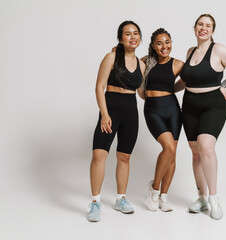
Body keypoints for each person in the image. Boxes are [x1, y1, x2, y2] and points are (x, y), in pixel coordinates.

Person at [179, 14, 226, 220]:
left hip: (213, 105)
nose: (203, 28)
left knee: (206, 147)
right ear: (194, 28)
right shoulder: (190, 51)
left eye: (208, 26)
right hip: (189, 104)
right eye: (200, 24)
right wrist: (161, 92)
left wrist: (224, 84)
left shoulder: (218, 50)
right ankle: (201, 197)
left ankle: (214, 197)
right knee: (195, 152)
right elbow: (185, 80)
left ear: (212, 30)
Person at [87, 21, 145, 222]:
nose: (132, 37)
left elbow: (142, 93)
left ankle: (120, 199)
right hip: (110, 110)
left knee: (124, 158)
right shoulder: (111, 57)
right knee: (98, 155)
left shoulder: (142, 64)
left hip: (131, 112)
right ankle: (95, 202)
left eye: (135, 33)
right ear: (121, 38)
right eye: (128, 34)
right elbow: (99, 87)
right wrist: (104, 114)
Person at [140, 28, 184, 212]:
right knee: (169, 147)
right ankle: (154, 189)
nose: (164, 46)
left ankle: (164, 196)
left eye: (167, 42)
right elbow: (126, 62)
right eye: (159, 43)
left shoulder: (178, 64)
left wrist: (172, 89)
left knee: (172, 153)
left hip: (172, 109)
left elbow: (190, 80)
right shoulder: (146, 61)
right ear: (153, 46)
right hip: (153, 110)